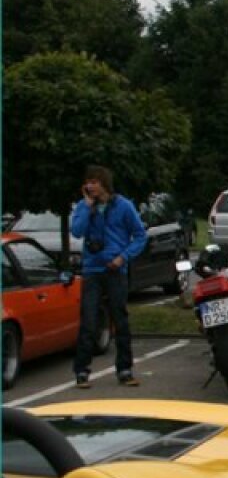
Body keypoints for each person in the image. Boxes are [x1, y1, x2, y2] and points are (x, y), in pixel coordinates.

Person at [70, 165, 147, 387]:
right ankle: (82, 371)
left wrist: (123, 257)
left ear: (104, 183)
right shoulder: (85, 206)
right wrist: (86, 207)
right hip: (92, 269)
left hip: (115, 268)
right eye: (87, 182)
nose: (89, 186)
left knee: (120, 319)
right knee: (89, 320)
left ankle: (124, 369)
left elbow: (140, 236)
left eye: (94, 182)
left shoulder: (123, 206)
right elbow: (77, 231)